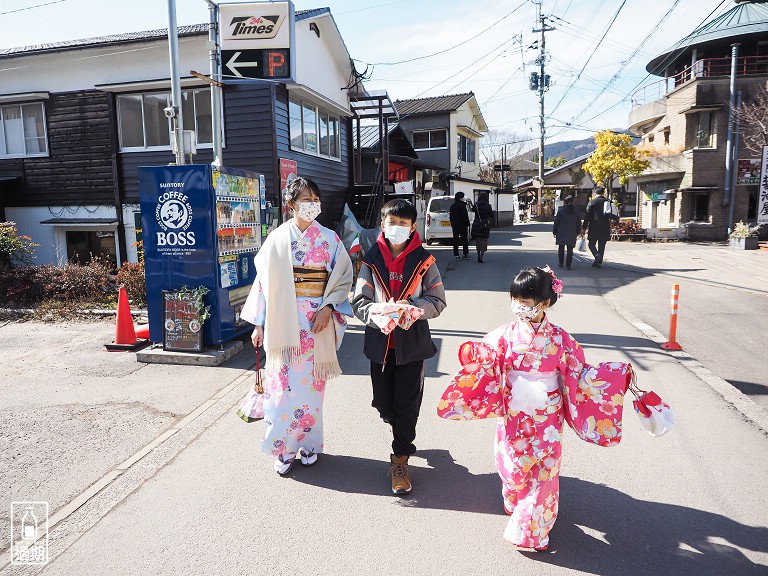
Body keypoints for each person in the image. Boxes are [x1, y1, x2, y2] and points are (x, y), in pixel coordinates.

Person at [437, 267, 629, 550]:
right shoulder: (505, 334)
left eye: (526, 303)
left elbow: (580, 373)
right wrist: (475, 353)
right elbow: (486, 355)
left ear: (546, 302)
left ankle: (532, 528)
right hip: (515, 413)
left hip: (547, 418)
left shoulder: (561, 339)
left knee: (544, 471)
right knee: (512, 463)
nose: (519, 308)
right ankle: (514, 495)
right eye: (515, 301)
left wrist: (613, 376)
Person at [240, 177, 354, 475]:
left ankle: (310, 445)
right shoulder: (276, 239)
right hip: (283, 325)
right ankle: (285, 449)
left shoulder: (330, 239)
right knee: (280, 392)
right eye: (305, 199)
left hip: (316, 323)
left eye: (315, 198)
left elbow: (343, 277)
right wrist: (258, 324)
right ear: (291, 205)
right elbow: (264, 284)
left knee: (312, 393)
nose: (312, 203)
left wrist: (328, 307)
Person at [352, 199, 447, 495]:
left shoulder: (424, 260)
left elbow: (438, 301)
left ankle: (400, 458)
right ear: (383, 225)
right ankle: (398, 425)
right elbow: (359, 302)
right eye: (392, 224)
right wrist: (377, 313)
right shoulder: (370, 260)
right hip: (380, 346)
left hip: (413, 346)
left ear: (413, 227)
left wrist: (412, 307)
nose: (397, 229)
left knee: (406, 405)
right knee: (384, 403)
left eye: (403, 225)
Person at [581, 187, 619, 268]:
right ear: (603, 193)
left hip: (594, 226)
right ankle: (598, 262)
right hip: (605, 226)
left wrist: (583, 228)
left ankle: (597, 256)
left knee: (591, 244)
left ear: (595, 193)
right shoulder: (608, 201)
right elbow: (614, 213)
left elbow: (587, 217)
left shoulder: (592, 202)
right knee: (602, 245)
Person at [552, 196, 581, 269]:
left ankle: (561, 263)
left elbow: (556, 222)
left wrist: (554, 231)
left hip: (561, 230)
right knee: (570, 249)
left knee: (561, 247)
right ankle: (568, 265)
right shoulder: (576, 211)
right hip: (572, 231)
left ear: (565, 202)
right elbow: (578, 223)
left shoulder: (561, 210)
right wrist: (578, 232)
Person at [471, 193, 494, 263]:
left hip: (477, 224)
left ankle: (478, 255)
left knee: (478, 241)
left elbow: (472, 210)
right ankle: (481, 257)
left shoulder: (476, 205)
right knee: (484, 241)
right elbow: (492, 215)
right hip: (485, 224)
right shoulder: (488, 206)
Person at [449, 192, 471, 261]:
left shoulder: (452, 206)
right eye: (462, 197)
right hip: (463, 226)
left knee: (455, 240)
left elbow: (451, 217)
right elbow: (465, 216)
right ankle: (465, 254)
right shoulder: (462, 206)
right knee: (464, 240)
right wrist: (467, 224)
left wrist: (452, 224)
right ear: (460, 198)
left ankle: (456, 255)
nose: (463, 198)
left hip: (455, 226)